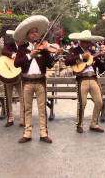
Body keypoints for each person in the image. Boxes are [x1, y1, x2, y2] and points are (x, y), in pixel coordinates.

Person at [14, 15, 62, 144]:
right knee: (27, 109)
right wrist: (30, 55)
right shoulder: (22, 49)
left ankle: (43, 133)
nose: (35, 34)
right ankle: (27, 133)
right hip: (27, 82)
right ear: (27, 35)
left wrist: (56, 55)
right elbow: (17, 64)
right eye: (32, 32)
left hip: (41, 81)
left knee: (42, 109)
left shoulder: (44, 48)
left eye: (36, 32)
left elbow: (49, 65)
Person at [65, 30, 105, 133]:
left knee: (99, 101)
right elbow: (67, 61)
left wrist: (102, 58)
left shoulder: (92, 52)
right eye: (86, 41)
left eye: (89, 41)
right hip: (81, 78)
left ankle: (94, 124)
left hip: (93, 78)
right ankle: (79, 124)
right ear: (81, 41)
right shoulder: (74, 50)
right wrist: (81, 57)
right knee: (82, 102)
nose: (88, 43)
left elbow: (102, 67)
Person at [0, 30, 25, 127]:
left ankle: (23, 119)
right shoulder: (10, 45)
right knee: (8, 98)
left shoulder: (24, 47)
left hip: (20, 76)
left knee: (22, 97)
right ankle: (10, 118)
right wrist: (12, 54)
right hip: (8, 76)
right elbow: (3, 51)